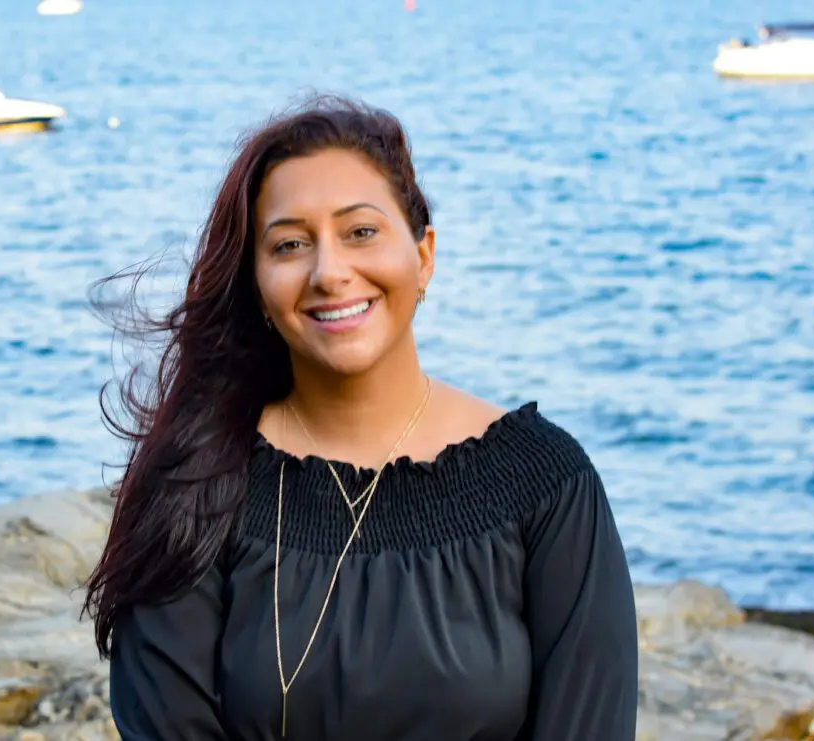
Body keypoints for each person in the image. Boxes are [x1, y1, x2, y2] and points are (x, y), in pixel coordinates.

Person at [83, 94, 639, 741]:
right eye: (290, 244)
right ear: (258, 284)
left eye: (361, 232)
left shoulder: (545, 483)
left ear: (423, 256)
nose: (330, 271)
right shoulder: (195, 483)